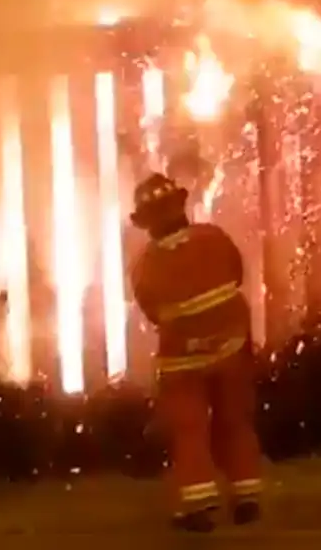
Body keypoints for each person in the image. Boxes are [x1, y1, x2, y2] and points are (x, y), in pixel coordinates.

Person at [129, 172, 263, 532]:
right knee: (234, 421)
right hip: (231, 348)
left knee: (189, 428)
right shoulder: (214, 237)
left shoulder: (146, 264)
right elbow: (236, 276)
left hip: (182, 361)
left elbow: (152, 311)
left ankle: (198, 504)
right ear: (180, 207)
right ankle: (247, 495)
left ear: (147, 222)